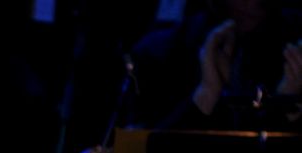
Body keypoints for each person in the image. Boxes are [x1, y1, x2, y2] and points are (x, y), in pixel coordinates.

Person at [129, 0, 302, 130]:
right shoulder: (167, 50)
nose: (248, 3)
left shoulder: (292, 39)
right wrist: (207, 93)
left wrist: (286, 106)